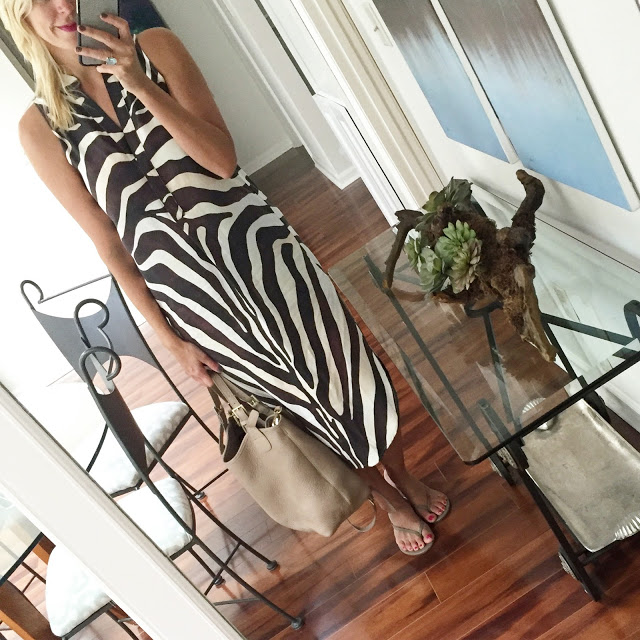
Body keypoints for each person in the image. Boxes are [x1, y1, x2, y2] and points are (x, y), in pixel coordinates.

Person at [1, 0, 449, 555]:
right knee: (290, 410)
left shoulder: (155, 48)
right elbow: (109, 243)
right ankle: (387, 501)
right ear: (18, 16)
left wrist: (138, 83)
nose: (60, 6)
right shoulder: (40, 129)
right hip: (195, 303)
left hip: (265, 256)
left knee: (350, 373)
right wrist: (169, 340)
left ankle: (402, 474)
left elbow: (221, 160)